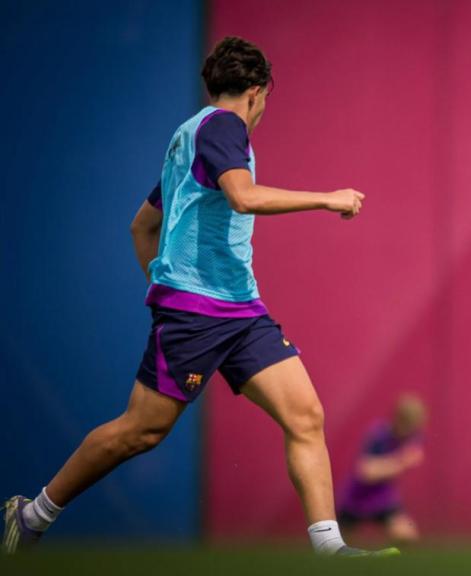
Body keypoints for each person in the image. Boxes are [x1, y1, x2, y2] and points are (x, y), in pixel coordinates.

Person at [3, 36, 396, 557]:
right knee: (141, 431)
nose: (260, 113)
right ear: (256, 93)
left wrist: (163, 283)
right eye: (264, 102)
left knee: (305, 416)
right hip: (199, 312)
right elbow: (243, 196)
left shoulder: (189, 137)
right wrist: (328, 198)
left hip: (240, 310)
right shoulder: (224, 128)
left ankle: (331, 551)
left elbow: (142, 228)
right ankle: (29, 517)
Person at [337, 394, 427, 546]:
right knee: (340, 547)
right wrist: (400, 462)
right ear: (399, 419)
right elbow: (366, 471)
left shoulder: (414, 436)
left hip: (383, 500)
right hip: (355, 499)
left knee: (407, 537)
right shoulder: (380, 435)